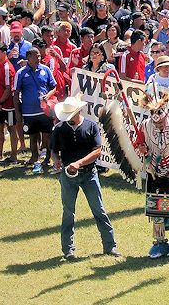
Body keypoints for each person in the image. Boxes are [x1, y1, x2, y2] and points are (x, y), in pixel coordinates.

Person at [50, 96, 120, 260]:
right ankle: (68, 250)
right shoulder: (59, 129)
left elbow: (97, 151)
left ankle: (110, 246)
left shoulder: (91, 126)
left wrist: (78, 164)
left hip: (88, 174)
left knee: (99, 210)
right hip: (68, 175)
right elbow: (53, 150)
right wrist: (57, 161)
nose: (69, 120)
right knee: (68, 212)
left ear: (78, 112)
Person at [13, 47, 58, 174]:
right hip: (29, 111)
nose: (38, 58)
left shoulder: (45, 69)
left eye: (39, 56)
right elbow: (15, 93)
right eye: (35, 56)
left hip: (45, 110)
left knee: (48, 135)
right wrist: (18, 112)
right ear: (28, 57)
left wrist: (48, 96)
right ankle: (35, 158)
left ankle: (48, 158)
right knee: (33, 136)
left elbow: (54, 87)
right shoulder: (21, 73)